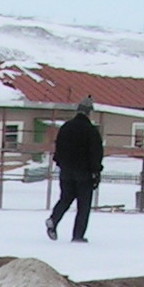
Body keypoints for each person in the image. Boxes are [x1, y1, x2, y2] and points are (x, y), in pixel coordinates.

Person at [47, 95, 104, 243]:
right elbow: (95, 153)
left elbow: (58, 149)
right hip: (84, 174)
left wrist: (61, 163)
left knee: (65, 198)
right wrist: (96, 171)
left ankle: (54, 219)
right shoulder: (91, 131)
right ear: (89, 112)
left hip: (66, 171)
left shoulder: (65, 128)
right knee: (83, 206)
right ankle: (78, 235)